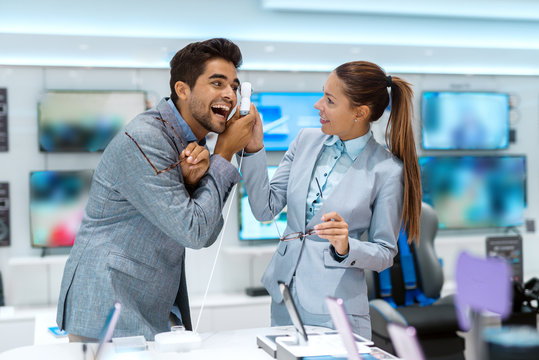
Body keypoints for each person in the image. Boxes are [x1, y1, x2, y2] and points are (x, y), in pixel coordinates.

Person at [56, 38, 255, 341]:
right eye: (218, 83)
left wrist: (199, 178)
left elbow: (207, 230)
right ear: (182, 89)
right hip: (107, 308)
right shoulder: (146, 139)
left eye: (235, 86)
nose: (229, 94)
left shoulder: (193, 144)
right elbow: (195, 232)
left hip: (146, 306)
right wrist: (224, 154)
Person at [239, 61, 422, 339]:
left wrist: (346, 246)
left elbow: (385, 253)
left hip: (338, 309)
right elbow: (264, 209)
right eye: (322, 94)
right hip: (284, 295)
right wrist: (254, 149)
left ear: (359, 113)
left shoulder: (387, 170)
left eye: (330, 100)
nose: (317, 105)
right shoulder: (305, 140)